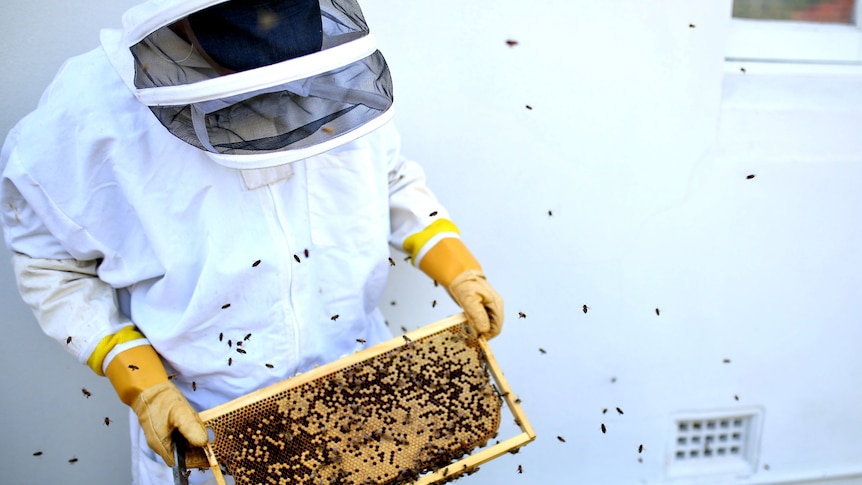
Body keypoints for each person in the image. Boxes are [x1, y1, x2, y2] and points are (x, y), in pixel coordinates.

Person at [0, 0, 504, 483]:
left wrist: (457, 267)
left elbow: (386, 176)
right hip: (211, 424)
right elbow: (53, 266)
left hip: (364, 393)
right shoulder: (80, 120)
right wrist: (144, 386)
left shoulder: (334, 62)